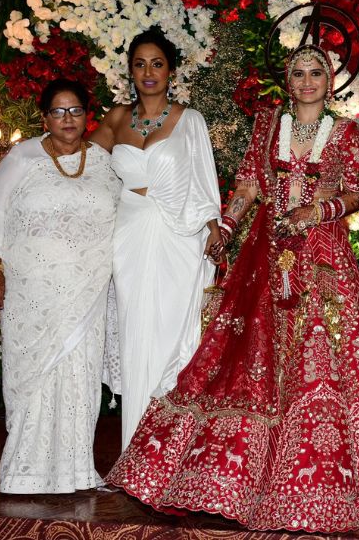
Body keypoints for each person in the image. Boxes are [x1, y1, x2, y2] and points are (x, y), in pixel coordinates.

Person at [104, 43, 359, 532]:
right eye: (299, 73)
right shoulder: (269, 124)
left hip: (323, 259)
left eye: (316, 73)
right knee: (252, 361)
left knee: (320, 361)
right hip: (267, 255)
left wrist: (318, 211)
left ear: (329, 82)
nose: (307, 81)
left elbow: (358, 192)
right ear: (287, 81)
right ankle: (244, 480)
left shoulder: (346, 131)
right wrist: (227, 227)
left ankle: (320, 484)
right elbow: (250, 184)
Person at [0, 78, 121, 493]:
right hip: (32, 293)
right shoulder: (23, 156)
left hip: (87, 291)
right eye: (58, 112)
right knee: (31, 376)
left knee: (80, 376)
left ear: (86, 116)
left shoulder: (103, 163)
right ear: (45, 118)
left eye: (75, 110)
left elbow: (126, 212)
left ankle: (75, 471)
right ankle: (24, 472)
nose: (67, 119)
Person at [91, 29, 222, 450]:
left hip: (179, 237)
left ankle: (171, 452)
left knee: (172, 337)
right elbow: (81, 163)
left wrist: (214, 228)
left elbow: (204, 181)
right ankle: (134, 449)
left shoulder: (190, 119)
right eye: (140, 64)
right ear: (130, 71)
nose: (149, 72)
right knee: (135, 334)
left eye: (157, 63)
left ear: (171, 71)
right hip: (129, 235)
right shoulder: (116, 118)